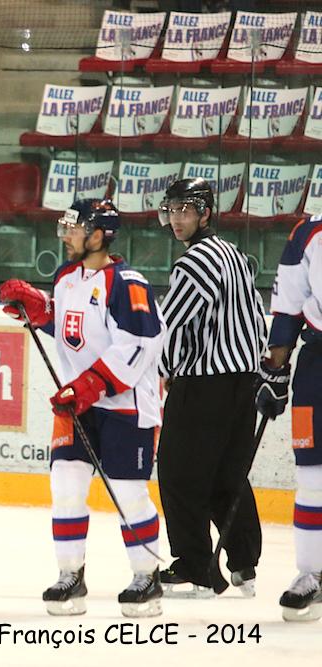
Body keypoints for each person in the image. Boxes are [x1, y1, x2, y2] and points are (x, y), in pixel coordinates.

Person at [1, 199, 166, 617]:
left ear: (98, 235)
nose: (66, 235)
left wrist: (90, 384)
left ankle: (147, 576)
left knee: (129, 493)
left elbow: (140, 344)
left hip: (124, 404)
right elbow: (71, 325)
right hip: (77, 403)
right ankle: (70, 575)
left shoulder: (128, 284)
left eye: (74, 229)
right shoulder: (66, 276)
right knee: (66, 486)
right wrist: (38, 309)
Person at [156, 177, 267, 597]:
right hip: (242, 383)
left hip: (203, 383)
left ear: (205, 212)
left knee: (179, 473)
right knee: (228, 474)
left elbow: (168, 326)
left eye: (186, 209)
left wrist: (162, 369)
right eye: (172, 210)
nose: (177, 218)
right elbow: (256, 318)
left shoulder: (194, 262)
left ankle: (194, 566)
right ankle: (244, 564)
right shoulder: (235, 255)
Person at [255, 213, 322, 622]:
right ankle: (310, 574)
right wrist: (275, 370)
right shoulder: (308, 232)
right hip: (317, 363)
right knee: (312, 476)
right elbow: (288, 306)